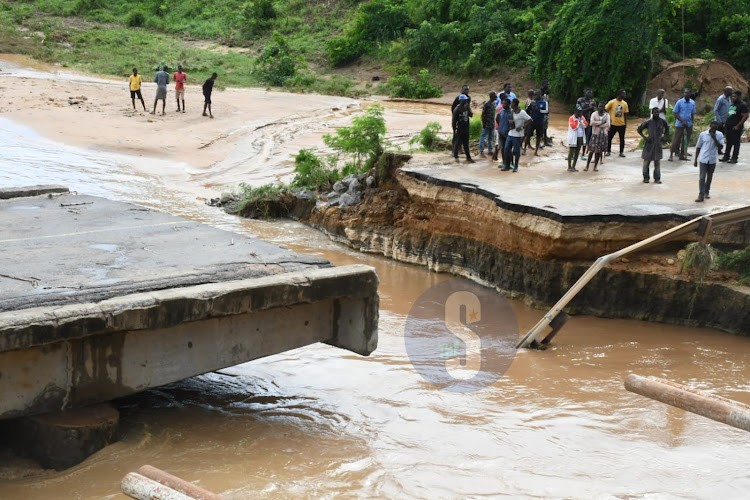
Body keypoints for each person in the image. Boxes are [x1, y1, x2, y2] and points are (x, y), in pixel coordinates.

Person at [693, 121, 725, 202]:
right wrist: (695, 159)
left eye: (715, 128)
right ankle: (701, 194)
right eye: (712, 127)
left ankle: (707, 191)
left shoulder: (720, 135)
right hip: (703, 159)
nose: (713, 129)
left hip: (712, 159)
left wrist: (714, 138)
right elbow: (698, 147)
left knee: (709, 177)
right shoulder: (703, 134)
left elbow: (720, 147)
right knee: (702, 177)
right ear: (710, 126)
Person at [637, 107, 669, 184]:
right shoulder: (648, 122)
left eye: (658, 112)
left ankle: (657, 178)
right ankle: (646, 178)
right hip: (649, 144)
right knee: (646, 162)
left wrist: (665, 136)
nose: (657, 114)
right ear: (652, 113)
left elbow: (667, 128)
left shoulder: (662, 122)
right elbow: (639, 129)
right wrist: (645, 137)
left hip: (658, 144)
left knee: (657, 163)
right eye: (655, 112)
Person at [720, 90, 749, 164]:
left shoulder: (742, 105)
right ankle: (726, 156)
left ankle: (734, 157)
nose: (733, 98)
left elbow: (745, 116)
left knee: (736, 143)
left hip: (736, 127)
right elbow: (729, 114)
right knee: (728, 142)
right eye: (732, 96)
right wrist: (725, 123)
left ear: (739, 96)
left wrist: (738, 125)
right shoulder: (732, 104)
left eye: (735, 96)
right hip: (728, 126)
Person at [503, 98, 530, 172]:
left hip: (517, 135)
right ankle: (507, 165)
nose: (511, 104)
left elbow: (530, 120)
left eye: (512, 103)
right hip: (510, 133)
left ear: (515, 104)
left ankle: (516, 166)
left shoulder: (522, 112)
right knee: (506, 149)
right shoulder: (512, 112)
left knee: (516, 151)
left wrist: (522, 127)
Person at [669, 88, 696, 161]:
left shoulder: (692, 103)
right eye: (685, 93)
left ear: (690, 94)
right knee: (676, 140)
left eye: (688, 93)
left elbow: (693, 113)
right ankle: (671, 155)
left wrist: (692, 122)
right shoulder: (679, 102)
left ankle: (682, 155)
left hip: (688, 124)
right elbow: (675, 113)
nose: (686, 94)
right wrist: (682, 121)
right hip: (680, 124)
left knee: (685, 141)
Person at [584, 101, 610, 172]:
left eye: (602, 106)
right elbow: (591, 122)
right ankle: (587, 166)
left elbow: (608, 124)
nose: (601, 108)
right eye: (600, 106)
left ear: (604, 108)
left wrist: (597, 124)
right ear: (598, 106)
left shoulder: (607, 115)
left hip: (602, 135)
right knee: (591, 151)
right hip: (594, 134)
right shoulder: (594, 114)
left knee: (598, 152)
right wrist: (601, 123)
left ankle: (595, 166)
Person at [606, 90, 629, 157]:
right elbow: (605, 109)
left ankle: (621, 152)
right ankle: (608, 151)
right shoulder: (612, 102)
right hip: (612, 124)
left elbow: (625, 114)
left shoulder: (625, 104)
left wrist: (625, 124)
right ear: (619, 94)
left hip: (621, 124)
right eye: (624, 94)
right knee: (609, 138)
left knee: (622, 139)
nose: (625, 96)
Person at [452, 95, 474, 163]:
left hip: (466, 128)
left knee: (466, 144)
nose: (466, 101)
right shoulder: (457, 109)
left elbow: (471, 115)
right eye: (464, 100)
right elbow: (453, 121)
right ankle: (456, 157)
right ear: (461, 100)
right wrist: (454, 129)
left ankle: (468, 157)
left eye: (466, 100)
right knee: (457, 143)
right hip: (459, 129)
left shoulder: (467, 107)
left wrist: (468, 109)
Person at [524, 90, 545, 156]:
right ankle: (524, 150)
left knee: (538, 137)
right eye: (535, 95)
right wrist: (530, 105)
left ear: (540, 95)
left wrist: (538, 109)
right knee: (528, 135)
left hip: (540, 122)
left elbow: (546, 112)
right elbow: (527, 110)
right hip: (532, 122)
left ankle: (536, 151)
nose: (536, 96)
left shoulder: (544, 103)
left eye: (537, 95)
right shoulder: (533, 102)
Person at [566, 106, 588, 172]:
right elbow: (574, 127)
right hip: (573, 138)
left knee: (577, 152)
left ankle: (574, 166)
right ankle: (569, 167)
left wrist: (581, 120)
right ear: (575, 112)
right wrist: (579, 121)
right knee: (571, 152)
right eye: (578, 112)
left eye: (580, 112)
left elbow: (586, 125)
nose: (580, 113)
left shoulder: (582, 118)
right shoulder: (571, 118)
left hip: (580, 137)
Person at [451, 85, 471, 156]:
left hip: (465, 119)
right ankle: (454, 151)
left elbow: (469, 111)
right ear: (461, 90)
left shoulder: (468, 98)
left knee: (464, 137)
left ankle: (461, 150)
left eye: (467, 90)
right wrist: (456, 118)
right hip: (458, 120)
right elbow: (453, 109)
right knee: (456, 136)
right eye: (465, 90)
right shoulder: (458, 99)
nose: (466, 91)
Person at [577, 88, 596, 159]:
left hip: (588, 122)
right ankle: (575, 152)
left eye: (590, 93)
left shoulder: (593, 101)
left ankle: (583, 154)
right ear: (585, 93)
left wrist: (593, 108)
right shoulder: (580, 100)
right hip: (579, 121)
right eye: (588, 93)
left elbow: (595, 112)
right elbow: (578, 111)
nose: (589, 94)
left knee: (586, 137)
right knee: (577, 137)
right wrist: (589, 108)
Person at [494, 98, 512, 167]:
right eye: (503, 103)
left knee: (508, 149)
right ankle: (504, 162)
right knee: (502, 148)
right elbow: (497, 119)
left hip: (508, 133)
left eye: (505, 103)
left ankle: (510, 163)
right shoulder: (501, 111)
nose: (503, 105)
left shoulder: (511, 112)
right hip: (501, 132)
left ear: (509, 104)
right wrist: (500, 126)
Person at [479, 91, 497, 158]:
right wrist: (483, 123)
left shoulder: (493, 104)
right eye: (495, 96)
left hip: (492, 123)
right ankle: (481, 151)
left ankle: (490, 150)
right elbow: (483, 115)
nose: (496, 97)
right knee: (483, 137)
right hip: (486, 124)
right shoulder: (486, 104)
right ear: (492, 96)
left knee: (490, 137)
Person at [540, 79, 552, 146]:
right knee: (541, 127)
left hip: (546, 111)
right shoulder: (540, 91)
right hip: (541, 111)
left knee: (545, 126)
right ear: (543, 84)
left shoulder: (547, 92)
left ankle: (545, 141)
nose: (548, 85)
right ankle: (540, 141)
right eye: (547, 84)